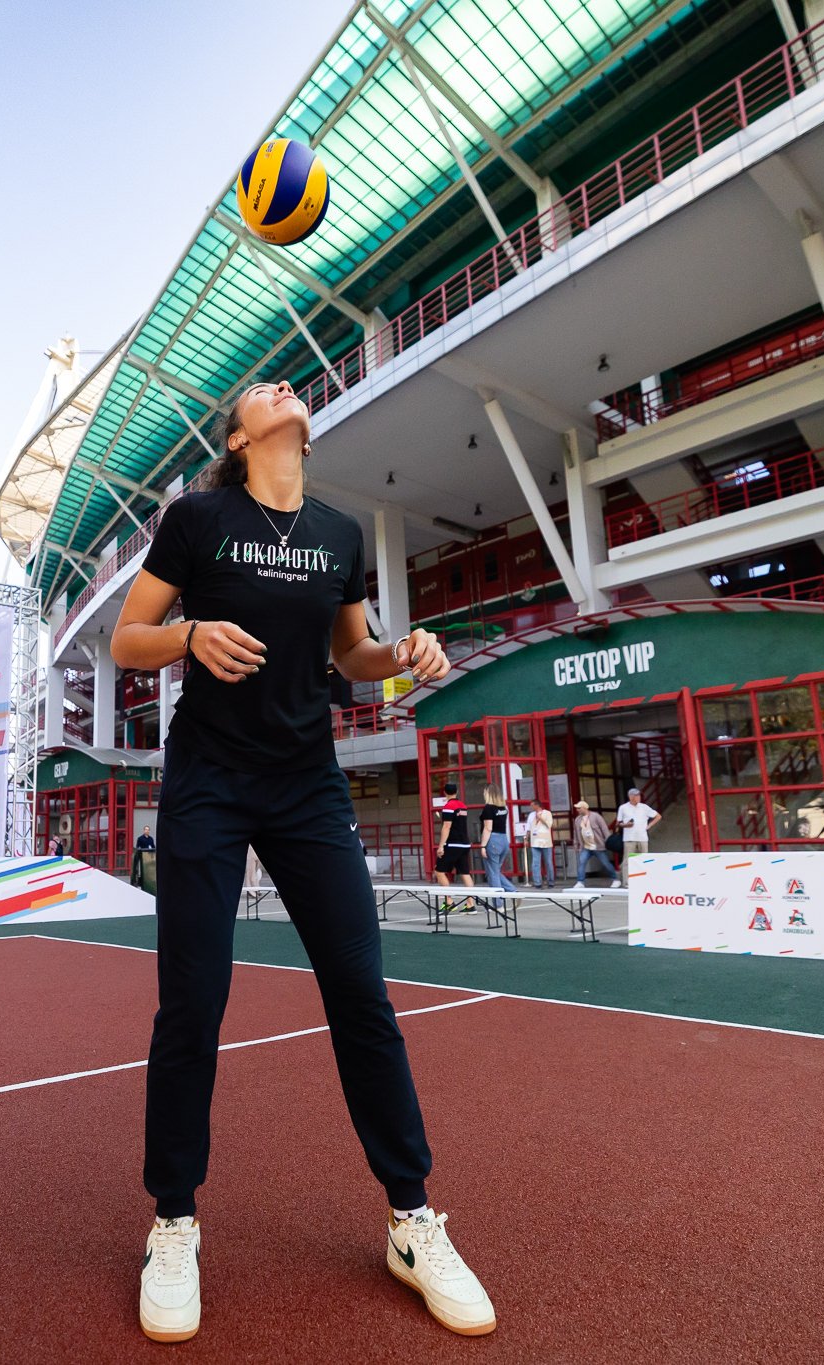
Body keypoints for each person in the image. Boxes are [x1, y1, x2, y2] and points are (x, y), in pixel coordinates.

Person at [111, 378, 494, 1343]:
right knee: (192, 1001)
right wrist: (190, 632)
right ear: (239, 438)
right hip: (208, 781)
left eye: (288, 387)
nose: (284, 388)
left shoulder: (340, 532)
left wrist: (405, 653)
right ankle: (173, 1222)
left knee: (362, 995)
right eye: (262, 391)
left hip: (306, 785)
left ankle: (412, 1220)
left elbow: (353, 656)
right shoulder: (197, 519)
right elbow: (126, 642)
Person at [433, 781, 478, 911]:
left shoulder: (448, 806)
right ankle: (470, 904)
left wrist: (441, 846)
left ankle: (449, 901)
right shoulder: (463, 806)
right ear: (456, 792)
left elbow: (447, 826)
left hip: (453, 844)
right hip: (464, 844)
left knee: (439, 871)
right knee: (465, 873)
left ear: (445, 792)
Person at [478, 784, 520, 908]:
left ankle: (498, 904)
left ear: (488, 793)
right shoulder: (503, 808)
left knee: (493, 874)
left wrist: (482, 846)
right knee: (494, 871)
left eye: (484, 791)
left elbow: (488, 828)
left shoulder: (488, 808)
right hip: (503, 840)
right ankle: (512, 891)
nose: (483, 794)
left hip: (493, 841)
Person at [615, 787, 660, 885]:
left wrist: (649, 826)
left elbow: (658, 816)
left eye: (639, 795)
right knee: (627, 861)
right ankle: (626, 882)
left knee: (644, 860)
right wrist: (626, 825)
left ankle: (644, 881)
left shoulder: (644, 807)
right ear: (630, 797)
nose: (638, 797)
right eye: (636, 795)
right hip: (629, 838)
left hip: (642, 838)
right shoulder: (623, 808)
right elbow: (618, 823)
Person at [571, 801, 617, 886]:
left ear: (585, 808)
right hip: (585, 846)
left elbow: (604, 829)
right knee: (581, 863)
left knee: (605, 863)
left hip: (598, 846)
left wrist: (608, 841)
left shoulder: (596, 816)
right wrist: (576, 844)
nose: (577, 810)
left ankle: (615, 879)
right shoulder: (577, 819)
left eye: (579, 808)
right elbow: (575, 833)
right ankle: (580, 881)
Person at [526, 796, 555, 887]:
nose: (531, 807)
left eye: (532, 805)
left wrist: (541, 818)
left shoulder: (547, 813)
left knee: (548, 862)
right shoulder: (531, 815)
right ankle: (537, 882)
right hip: (535, 841)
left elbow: (549, 824)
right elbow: (528, 828)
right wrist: (527, 839)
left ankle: (550, 881)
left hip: (546, 841)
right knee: (535, 863)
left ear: (537, 805)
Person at [132, 825, 156, 891]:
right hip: (143, 856)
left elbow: (153, 846)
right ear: (144, 830)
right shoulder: (140, 838)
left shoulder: (151, 838)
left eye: (148, 830)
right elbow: (138, 847)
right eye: (146, 829)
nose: (147, 831)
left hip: (150, 856)